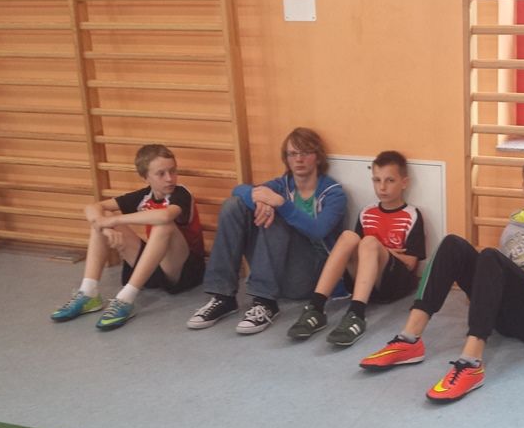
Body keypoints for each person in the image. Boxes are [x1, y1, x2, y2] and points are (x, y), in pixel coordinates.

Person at [358, 152, 524, 403]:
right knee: (452, 244)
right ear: (523, 187)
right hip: (509, 318)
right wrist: (483, 295)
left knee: (490, 256)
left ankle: (471, 363)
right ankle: (409, 339)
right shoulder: (514, 227)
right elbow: (502, 278)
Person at [186, 127, 346, 334]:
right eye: (292, 153)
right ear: (286, 158)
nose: (299, 159)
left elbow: (318, 231)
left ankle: (264, 301)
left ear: (318, 157)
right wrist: (261, 200)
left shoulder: (334, 193)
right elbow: (239, 189)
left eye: (305, 152)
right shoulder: (281, 185)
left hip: (310, 277)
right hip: (277, 269)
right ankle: (223, 297)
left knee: (276, 216)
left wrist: (281, 204)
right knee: (234, 205)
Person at [51, 144, 205, 330]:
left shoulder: (181, 193)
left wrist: (113, 220)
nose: (169, 178)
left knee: (163, 225)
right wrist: (104, 226)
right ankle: (88, 292)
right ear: (145, 177)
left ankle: (125, 299)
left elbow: (165, 216)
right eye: (161, 173)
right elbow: (92, 207)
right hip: (153, 267)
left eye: (173, 171)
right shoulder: (144, 196)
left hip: (183, 271)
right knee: (102, 217)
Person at [287, 150, 425, 347]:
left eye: (390, 180)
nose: (382, 187)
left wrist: (382, 249)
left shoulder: (412, 214)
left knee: (369, 242)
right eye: (377, 180)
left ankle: (356, 314)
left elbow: (411, 263)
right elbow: (357, 251)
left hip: (393, 285)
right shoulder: (366, 212)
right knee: (348, 237)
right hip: (362, 282)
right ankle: (316, 307)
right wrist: (381, 248)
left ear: (404, 183)